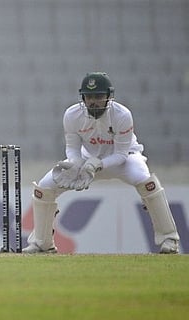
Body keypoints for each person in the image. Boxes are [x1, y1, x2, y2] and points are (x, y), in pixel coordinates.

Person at [23, 72, 180, 254]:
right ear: (83, 97)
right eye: (89, 96)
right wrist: (77, 163)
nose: (93, 101)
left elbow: (121, 154)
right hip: (86, 161)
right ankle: (42, 243)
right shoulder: (72, 115)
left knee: (147, 182)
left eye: (98, 96)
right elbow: (72, 148)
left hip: (124, 159)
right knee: (44, 188)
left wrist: (97, 164)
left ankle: (169, 239)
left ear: (108, 97)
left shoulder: (122, 115)